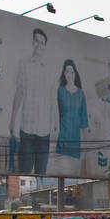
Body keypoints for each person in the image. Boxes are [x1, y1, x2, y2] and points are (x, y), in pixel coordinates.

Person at [9, 28, 58, 176]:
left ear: (45, 46)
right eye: (37, 41)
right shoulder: (24, 64)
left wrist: (57, 125)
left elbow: (53, 99)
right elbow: (19, 92)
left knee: (41, 173)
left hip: (44, 130)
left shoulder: (50, 69)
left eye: (42, 42)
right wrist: (12, 120)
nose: (39, 45)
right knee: (24, 170)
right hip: (27, 128)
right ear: (32, 42)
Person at [55, 60, 89, 163]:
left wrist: (86, 148)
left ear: (75, 74)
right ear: (64, 74)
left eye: (72, 72)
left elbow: (84, 122)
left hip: (75, 143)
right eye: (67, 72)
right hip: (62, 140)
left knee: (75, 174)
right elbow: (56, 115)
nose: (70, 75)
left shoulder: (80, 94)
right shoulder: (60, 91)